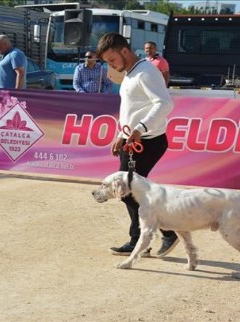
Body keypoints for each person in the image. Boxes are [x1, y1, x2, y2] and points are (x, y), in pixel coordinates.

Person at [96, 32, 178, 258]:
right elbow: (130, 110)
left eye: (112, 60)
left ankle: (158, 235)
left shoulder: (146, 71)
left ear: (124, 51)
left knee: (128, 192)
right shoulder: (131, 73)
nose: (111, 65)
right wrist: (120, 135)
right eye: (107, 62)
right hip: (132, 139)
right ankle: (150, 237)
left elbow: (164, 104)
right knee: (129, 192)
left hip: (148, 141)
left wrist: (139, 128)